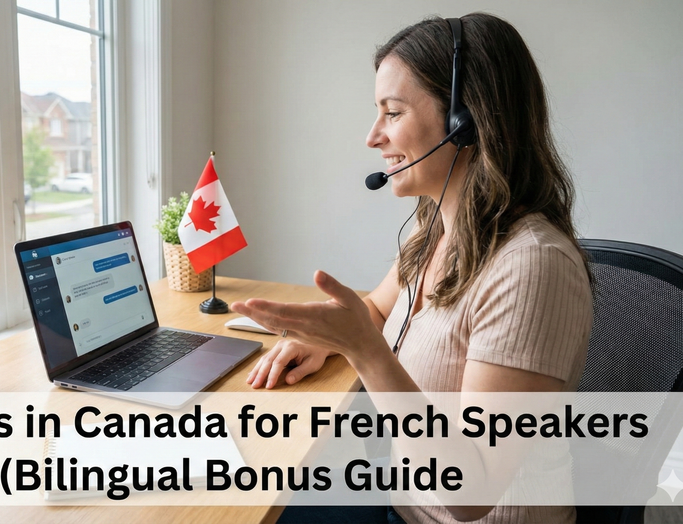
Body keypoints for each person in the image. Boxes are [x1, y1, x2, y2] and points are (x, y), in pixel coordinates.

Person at [231, 13, 593, 524]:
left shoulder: (532, 265)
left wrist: (362, 349)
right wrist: (328, 337)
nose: (373, 136)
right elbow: (381, 307)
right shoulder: (439, 231)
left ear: (465, 122)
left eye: (393, 113)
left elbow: (472, 493)